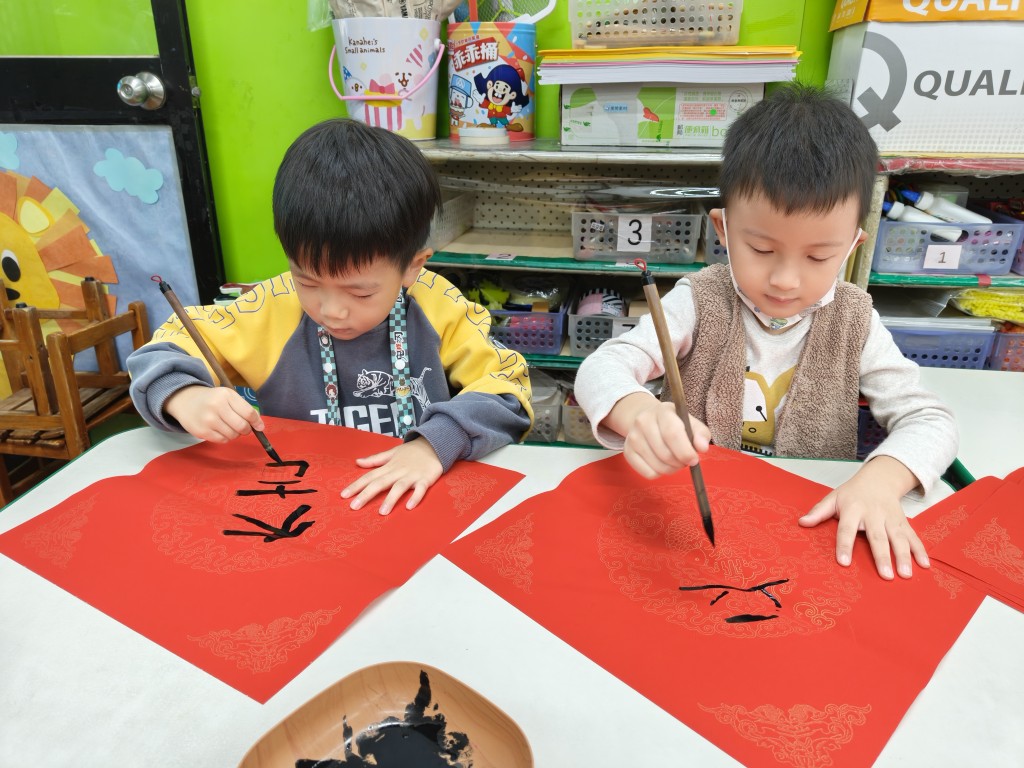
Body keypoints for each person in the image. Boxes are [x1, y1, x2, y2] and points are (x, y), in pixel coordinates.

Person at [574, 83, 957, 581]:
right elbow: (601, 366)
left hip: (807, 526)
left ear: (852, 246)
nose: (785, 280)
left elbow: (931, 420)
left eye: (819, 256)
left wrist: (881, 481)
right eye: (761, 249)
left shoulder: (854, 320)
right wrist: (640, 414)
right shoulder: (698, 300)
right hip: (693, 519)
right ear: (723, 229)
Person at [128, 118, 533, 515]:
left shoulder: (438, 305)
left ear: (412, 266)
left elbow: (507, 391)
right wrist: (183, 395)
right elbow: (167, 348)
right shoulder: (271, 307)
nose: (331, 310)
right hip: (301, 506)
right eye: (308, 281)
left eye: (360, 292)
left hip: (414, 503)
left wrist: (435, 443)